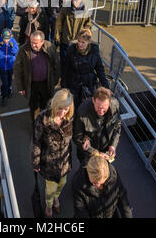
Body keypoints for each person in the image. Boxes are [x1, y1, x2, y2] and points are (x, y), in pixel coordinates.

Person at [32, 89, 74, 218]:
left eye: (66, 109)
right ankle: (49, 207)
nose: (62, 113)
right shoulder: (42, 119)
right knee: (50, 190)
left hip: (65, 163)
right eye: (60, 108)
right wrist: (35, 161)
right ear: (55, 104)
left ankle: (56, 198)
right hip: (49, 164)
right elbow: (36, 142)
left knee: (62, 183)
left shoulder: (70, 118)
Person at [14, 30, 60, 122]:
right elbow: (17, 69)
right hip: (31, 84)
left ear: (42, 42)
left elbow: (57, 65)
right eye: (31, 42)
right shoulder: (23, 50)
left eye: (36, 43)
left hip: (46, 83)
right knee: (33, 106)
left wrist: (54, 81)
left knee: (47, 104)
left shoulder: (50, 47)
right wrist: (20, 87)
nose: (33, 45)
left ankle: (45, 123)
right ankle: (35, 124)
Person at [72, 150, 133, 218]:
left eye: (102, 183)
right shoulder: (78, 183)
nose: (98, 186)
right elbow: (81, 212)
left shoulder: (113, 175)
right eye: (95, 183)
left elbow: (122, 197)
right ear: (88, 173)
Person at [62, 29, 109, 110]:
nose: (80, 44)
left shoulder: (94, 51)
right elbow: (65, 68)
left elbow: (99, 69)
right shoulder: (71, 50)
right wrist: (64, 86)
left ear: (89, 42)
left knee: (88, 107)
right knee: (74, 107)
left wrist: (106, 87)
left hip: (89, 84)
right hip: (74, 84)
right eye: (79, 41)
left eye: (83, 42)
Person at [73, 87, 121, 166]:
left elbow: (117, 125)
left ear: (109, 102)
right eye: (98, 107)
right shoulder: (82, 112)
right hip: (88, 153)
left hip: (106, 150)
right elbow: (77, 137)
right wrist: (96, 153)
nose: (101, 111)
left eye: (104, 108)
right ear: (93, 100)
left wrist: (113, 145)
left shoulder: (115, 105)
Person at [54, 0, 91, 76]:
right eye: (74, 0)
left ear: (81, 0)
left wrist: (85, 37)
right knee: (64, 60)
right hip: (66, 40)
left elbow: (88, 24)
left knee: (77, 61)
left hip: (78, 41)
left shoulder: (86, 10)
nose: (76, 2)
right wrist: (57, 37)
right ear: (71, 0)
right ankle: (64, 78)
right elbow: (58, 23)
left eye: (78, 1)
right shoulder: (65, 9)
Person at [0, 28, 19, 106]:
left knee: (9, 80)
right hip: (2, 66)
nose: (6, 41)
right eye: (4, 39)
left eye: (8, 39)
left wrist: (12, 48)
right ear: (2, 36)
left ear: (11, 36)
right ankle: (4, 97)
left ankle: (9, 90)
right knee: (4, 81)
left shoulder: (13, 41)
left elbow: (17, 52)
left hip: (11, 65)